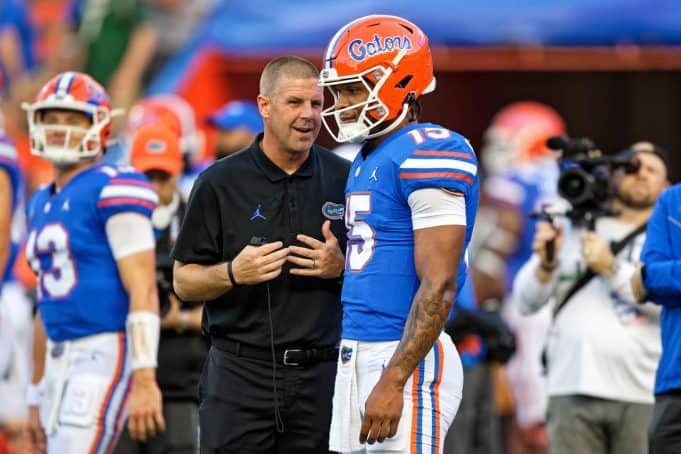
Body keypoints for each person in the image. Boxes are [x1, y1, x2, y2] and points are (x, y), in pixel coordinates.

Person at [172, 55, 350, 453]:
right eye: (295, 103)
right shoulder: (218, 182)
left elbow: (377, 274)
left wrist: (341, 268)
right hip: (239, 373)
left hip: (322, 375)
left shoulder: (345, 178)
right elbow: (184, 281)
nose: (308, 115)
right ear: (264, 106)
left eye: (316, 104)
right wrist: (233, 272)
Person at [318, 15, 479, 453]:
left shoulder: (432, 148)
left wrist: (393, 379)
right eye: (340, 90)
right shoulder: (368, 156)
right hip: (355, 351)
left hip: (404, 360)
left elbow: (440, 284)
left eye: (353, 88)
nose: (343, 102)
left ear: (401, 82)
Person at [22, 71, 165, 453]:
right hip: (56, 357)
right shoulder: (40, 199)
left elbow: (143, 287)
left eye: (73, 119)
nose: (59, 128)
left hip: (101, 351)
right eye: (52, 118)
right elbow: (44, 304)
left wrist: (145, 375)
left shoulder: (115, 184)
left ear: (100, 126)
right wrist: (35, 392)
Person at [512, 142, 671, 454]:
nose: (640, 175)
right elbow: (525, 302)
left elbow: (664, 301)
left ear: (667, 187)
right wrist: (546, 265)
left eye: (651, 170)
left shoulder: (667, 239)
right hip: (570, 388)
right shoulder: (572, 227)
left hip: (643, 393)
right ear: (611, 176)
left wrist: (610, 268)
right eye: (631, 167)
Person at [473, 101, 567, 454]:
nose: (495, 153)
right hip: (572, 304)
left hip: (528, 303)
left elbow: (500, 241)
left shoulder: (509, 183)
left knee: (528, 421)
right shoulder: (575, 179)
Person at [114, 124, 205, 454]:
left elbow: (232, 297)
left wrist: (180, 318)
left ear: (178, 171)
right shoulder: (111, 220)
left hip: (184, 383)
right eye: (145, 177)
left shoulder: (202, 220)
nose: (152, 188)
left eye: (161, 177)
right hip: (121, 380)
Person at [631, 180, 681, 454]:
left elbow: (654, 275)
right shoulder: (672, 200)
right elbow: (649, 279)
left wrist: (662, 275)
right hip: (674, 383)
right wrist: (651, 277)